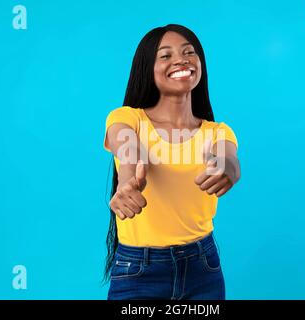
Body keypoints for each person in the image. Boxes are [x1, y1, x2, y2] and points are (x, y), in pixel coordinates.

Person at [102, 24, 241, 300]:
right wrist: (128, 183)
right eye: (165, 56)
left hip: (202, 266)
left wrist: (228, 168)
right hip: (138, 270)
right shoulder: (128, 119)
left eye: (189, 52)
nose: (181, 60)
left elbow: (229, 159)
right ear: (147, 69)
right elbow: (127, 148)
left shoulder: (217, 132)